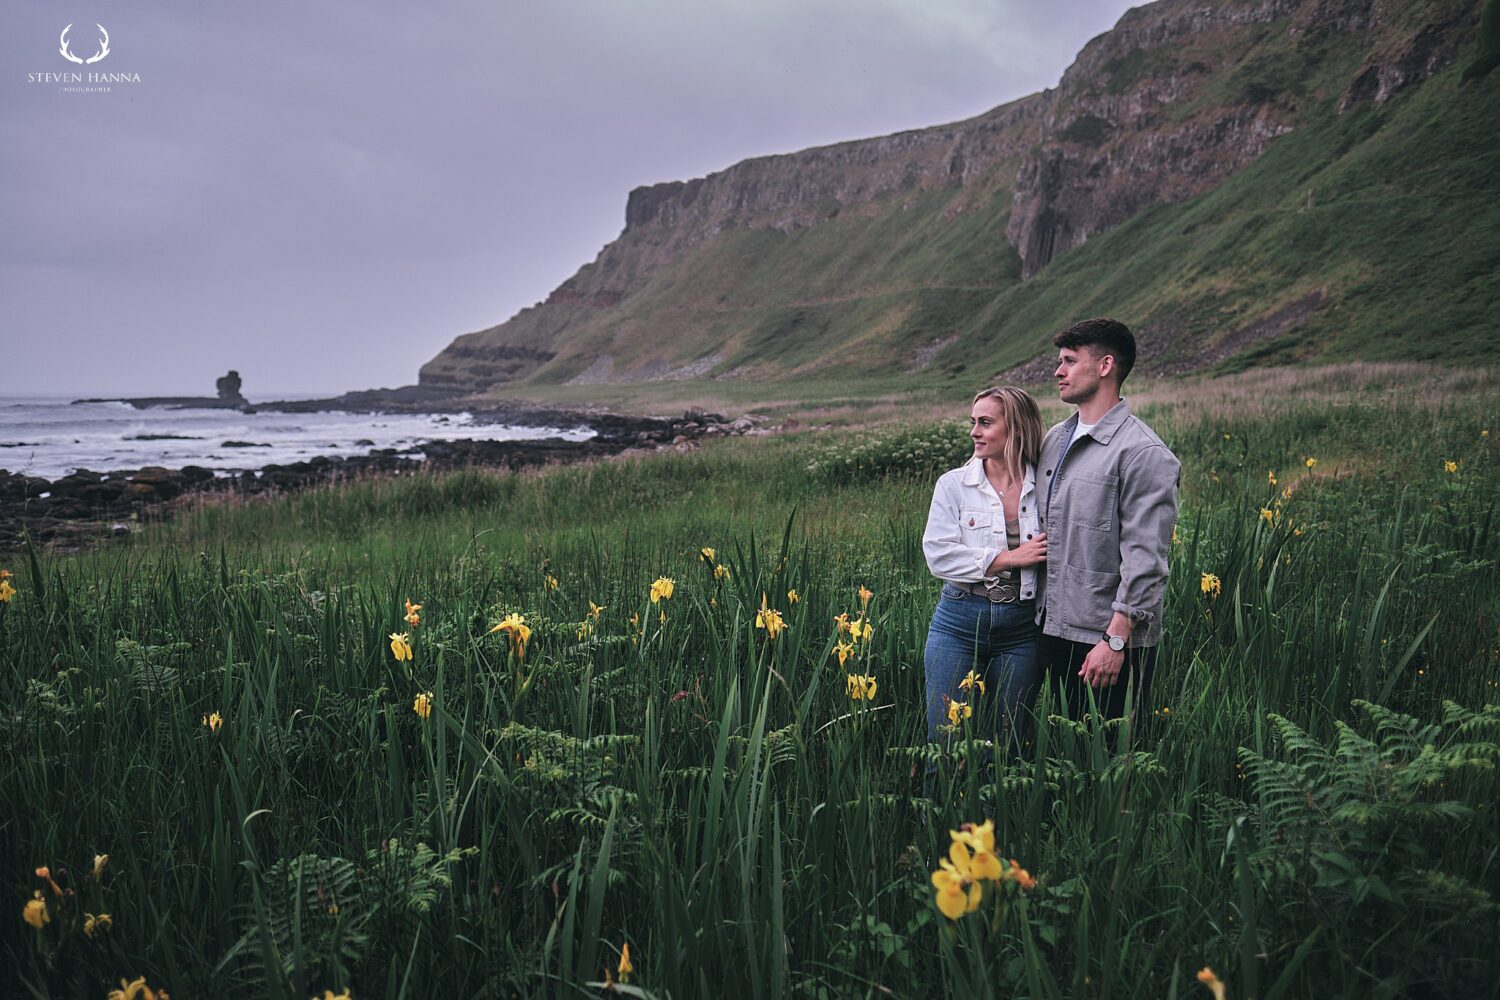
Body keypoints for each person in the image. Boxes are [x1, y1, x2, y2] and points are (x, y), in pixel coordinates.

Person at [1035, 318, 1180, 723]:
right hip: (1051, 628)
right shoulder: (1054, 440)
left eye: (1069, 361)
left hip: (1107, 642)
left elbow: (1146, 559)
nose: (1058, 371)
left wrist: (1114, 640)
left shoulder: (1143, 453)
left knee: (1109, 764)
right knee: (1056, 757)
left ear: (1104, 366)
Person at [922, 386, 1049, 752]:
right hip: (959, 621)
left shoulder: (1047, 487)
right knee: (946, 743)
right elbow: (938, 555)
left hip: (1024, 626)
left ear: (1017, 428)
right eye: (973, 422)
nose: (974, 431)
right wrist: (1009, 558)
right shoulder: (954, 485)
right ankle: (942, 811)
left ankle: (998, 812)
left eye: (985, 423)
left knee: (1008, 745)